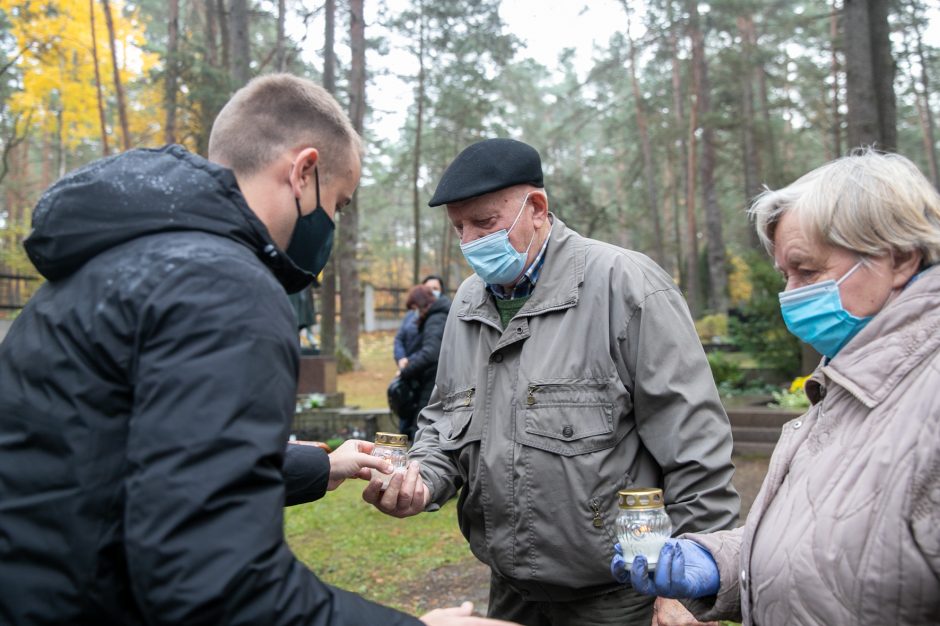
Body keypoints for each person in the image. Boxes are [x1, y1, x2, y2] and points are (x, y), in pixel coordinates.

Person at [0, 74, 517, 626]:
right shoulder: (224, 287)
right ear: (303, 172)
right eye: (338, 204)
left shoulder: (121, 261)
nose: (332, 223)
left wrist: (321, 464)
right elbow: (216, 584)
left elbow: (154, 458)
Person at [363, 138, 740, 626]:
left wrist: (683, 588)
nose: (471, 242)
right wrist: (421, 480)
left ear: (536, 208)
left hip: (622, 600)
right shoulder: (467, 305)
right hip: (511, 593)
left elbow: (697, 450)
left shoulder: (627, 286)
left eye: (485, 223)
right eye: (460, 228)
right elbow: (443, 422)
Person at [615, 150, 940, 625]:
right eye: (785, 276)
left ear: (898, 258)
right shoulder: (848, 388)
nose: (790, 294)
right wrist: (720, 562)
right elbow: (836, 546)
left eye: (807, 272)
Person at [396, 284, 452, 440]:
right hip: (436, 378)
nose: (415, 313)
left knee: (422, 429)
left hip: (432, 381)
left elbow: (431, 353)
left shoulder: (435, 319)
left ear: (422, 304)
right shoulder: (441, 314)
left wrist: (405, 371)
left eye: (415, 308)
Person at [394, 274, 447, 370]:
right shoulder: (411, 314)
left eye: (435, 288)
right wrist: (401, 358)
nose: (431, 292)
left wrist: (408, 364)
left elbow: (430, 350)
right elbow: (399, 338)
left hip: (423, 369)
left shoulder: (437, 318)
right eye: (428, 288)